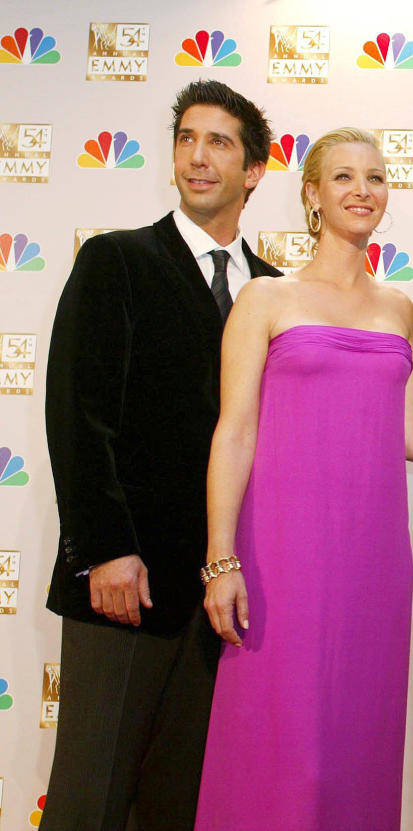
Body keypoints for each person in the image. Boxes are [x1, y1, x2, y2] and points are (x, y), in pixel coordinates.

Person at [41, 80, 279, 831]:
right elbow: (78, 417)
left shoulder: (276, 292)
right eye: (186, 138)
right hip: (127, 586)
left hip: (222, 598)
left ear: (254, 172)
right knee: (89, 797)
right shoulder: (117, 261)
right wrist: (106, 550)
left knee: (181, 803)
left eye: (219, 143)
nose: (198, 157)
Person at [193, 127, 413, 830]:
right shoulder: (265, 298)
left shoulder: (398, 308)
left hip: (374, 564)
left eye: (376, 178)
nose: (362, 190)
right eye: (343, 178)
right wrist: (221, 558)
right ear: (312, 196)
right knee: (284, 745)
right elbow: (233, 432)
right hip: (282, 557)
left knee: (356, 742)